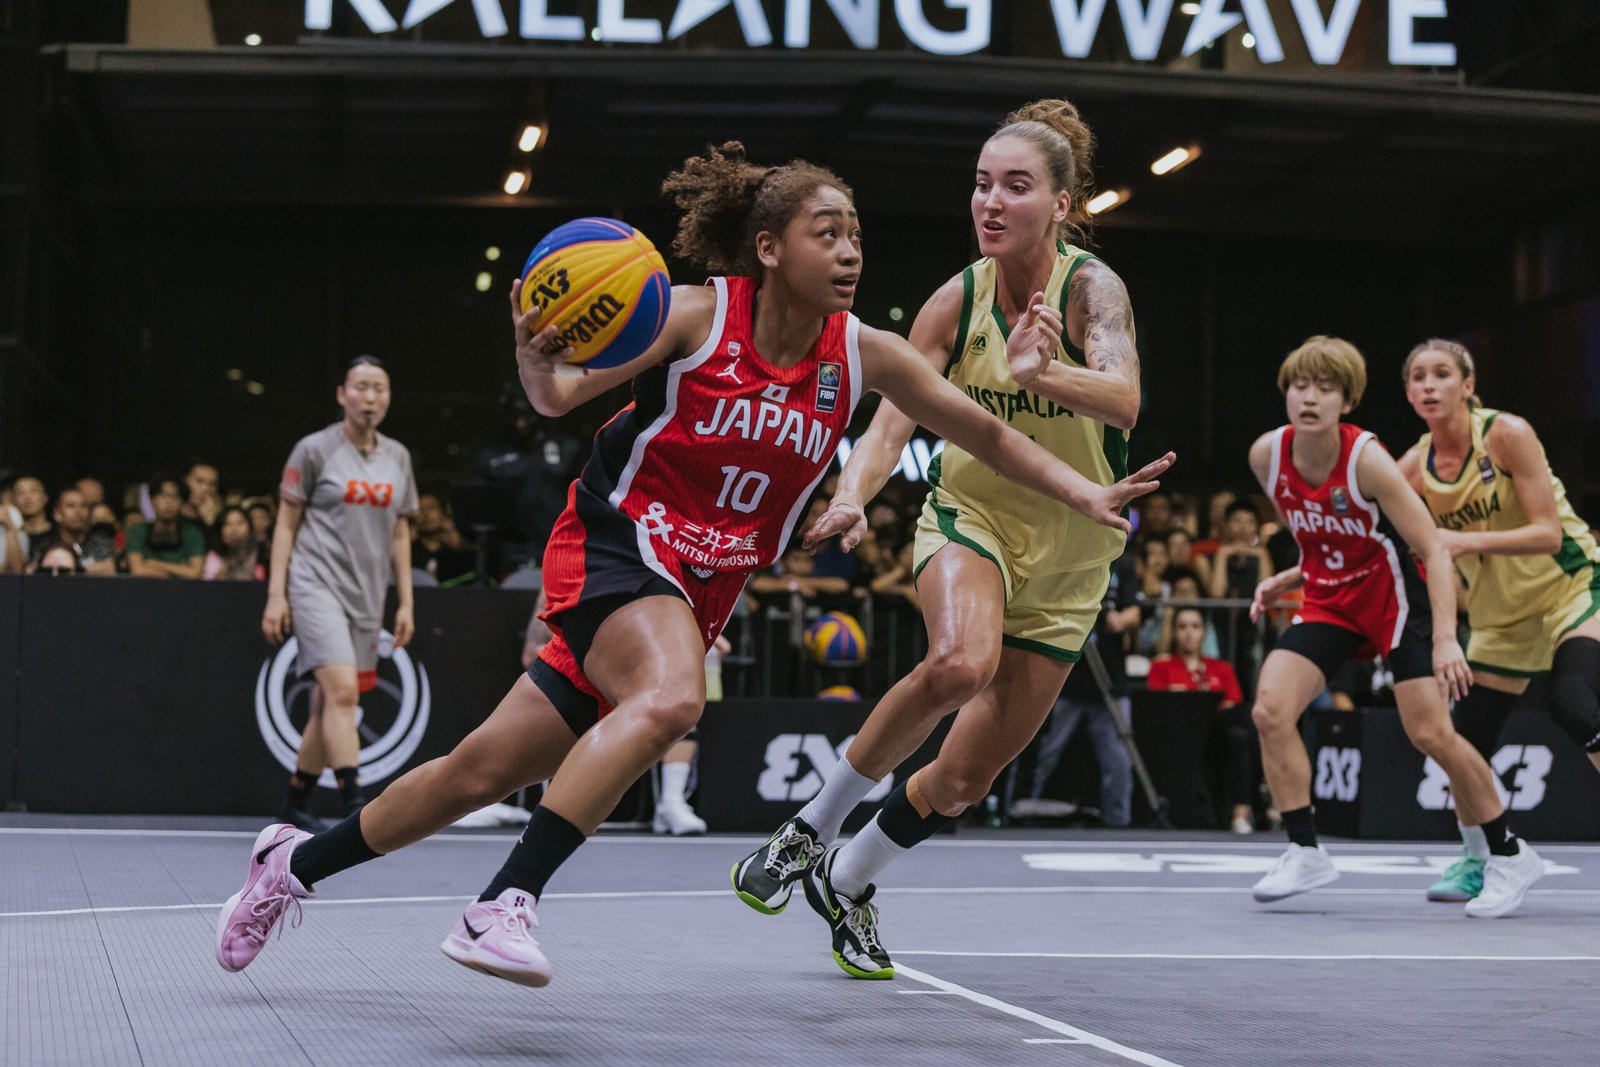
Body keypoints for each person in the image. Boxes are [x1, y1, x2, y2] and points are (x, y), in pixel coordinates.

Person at [215, 141, 1164, 989]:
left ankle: (289, 865)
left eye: (855, 235)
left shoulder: (862, 354)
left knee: (474, 772)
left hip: (700, 583)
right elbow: (560, 396)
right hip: (620, 544)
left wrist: (1083, 492)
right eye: (827, 234)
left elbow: (988, 436)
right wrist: (533, 359)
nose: (850, 253)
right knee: (673, 699)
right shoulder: (693, 317)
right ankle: (503, 903)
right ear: (768, 249)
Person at [731, 99, 1174, 979]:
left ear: (1061, 203)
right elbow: (893, 420)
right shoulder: (958, 298)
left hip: (1073, 560)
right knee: (961, 663)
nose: (991, 202)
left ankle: (847, 880)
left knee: (964, 780)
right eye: (981, 184)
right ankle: (809, 826)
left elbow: (1124, 399)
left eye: (1016, 186)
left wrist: (1048, 372)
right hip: (973, 518)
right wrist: (853, 493)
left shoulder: (1091, 289)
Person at [1244, 336, 1540, 917]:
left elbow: (1431, 546)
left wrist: (1447, 639)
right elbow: (1322, 531)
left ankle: (1509, 852)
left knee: (1430, 733)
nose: (1310, 398)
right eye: (1300, 386)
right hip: (1331, 600)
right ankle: (1305, 850)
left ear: (1347, 401)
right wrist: (1293, 574)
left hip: (1395, 599)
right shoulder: (1266, 456)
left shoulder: (1367, 460)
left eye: (1325, 388)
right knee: (1269, 711)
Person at [1400, 338, 1600, 903]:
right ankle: (1477, 858)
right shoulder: (1412, 468)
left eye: (1442, 374)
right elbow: (1369, 533)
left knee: (1573, 700)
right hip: (1501, 617)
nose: (1430, 384)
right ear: (1409, 393)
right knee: (1462, 742)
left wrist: (1463, 541)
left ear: (1468, 386)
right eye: (1418, 376)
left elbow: (1548, 533)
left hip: (1570, 589)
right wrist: (1294, 574)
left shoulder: (1507, 434)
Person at [261, 356, 418, 829]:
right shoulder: (313, 449)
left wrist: (406, 601)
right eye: (361, 387)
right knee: (344, 692)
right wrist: (277, 594)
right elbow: (285, 525)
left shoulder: (398, 456)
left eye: (379, 388)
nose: (370, 397)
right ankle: (356, 809)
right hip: (315, 584)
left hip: (367, 594)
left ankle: (295, 802)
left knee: (326, 702)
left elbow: (400, 532)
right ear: (341, 395)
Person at [1147, 605, 1252, 832]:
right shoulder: (1162, 666)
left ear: (1204, 631)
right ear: (1174, 632)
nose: (1189, 633)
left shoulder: (1221, 668)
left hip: (1214, 737)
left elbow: (1233, 705)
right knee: (1244, 723)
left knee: (1240, 735)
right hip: (1178, 739)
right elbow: (1155, 708)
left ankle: (1241, 814)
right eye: (1182, 627)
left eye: (1195, 626)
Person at [126, 475, 206, 578]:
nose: (168, 502)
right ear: (152, 501)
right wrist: (180, 571)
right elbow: (138, 570)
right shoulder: (137, 531)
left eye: (174, 497)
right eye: (162, 496)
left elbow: (195, 573)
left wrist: (156, 564)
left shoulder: (193, 534)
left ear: (182, 503)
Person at [203, 505, 267, 581]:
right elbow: (209, 584)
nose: (234, 529)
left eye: (240, 523)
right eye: (228, 524)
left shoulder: (261, 553)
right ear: (220, 530)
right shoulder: (214, 556)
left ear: (249, 527)